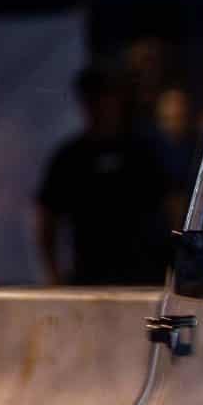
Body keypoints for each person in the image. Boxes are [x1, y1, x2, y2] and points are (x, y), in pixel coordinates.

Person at [34, 65, 184, 285]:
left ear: (118, 99)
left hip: (145, 273)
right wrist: (53, 273)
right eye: (92, 99)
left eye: (105, 97)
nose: (100, 106)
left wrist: (179, 262)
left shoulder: (144, 152)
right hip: (89, 275)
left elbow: (174, 207)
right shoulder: (70, 157)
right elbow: (46, 218)